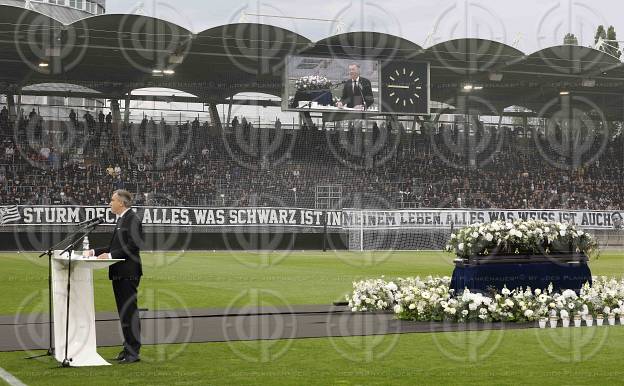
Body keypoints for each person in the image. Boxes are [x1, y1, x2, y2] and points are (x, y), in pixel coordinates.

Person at [83, 190, 143, 364]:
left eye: (112, 200)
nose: (109, 203)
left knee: (129, 312)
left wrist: (109, 256)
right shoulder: (122, 220)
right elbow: (112, 247)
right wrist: (94, 251)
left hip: (128, 272)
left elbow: (133, 245)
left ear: (121, 203)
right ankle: (127, 348)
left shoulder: (133, 219)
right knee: (123, 312)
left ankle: (133, 351)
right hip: (119, 272)